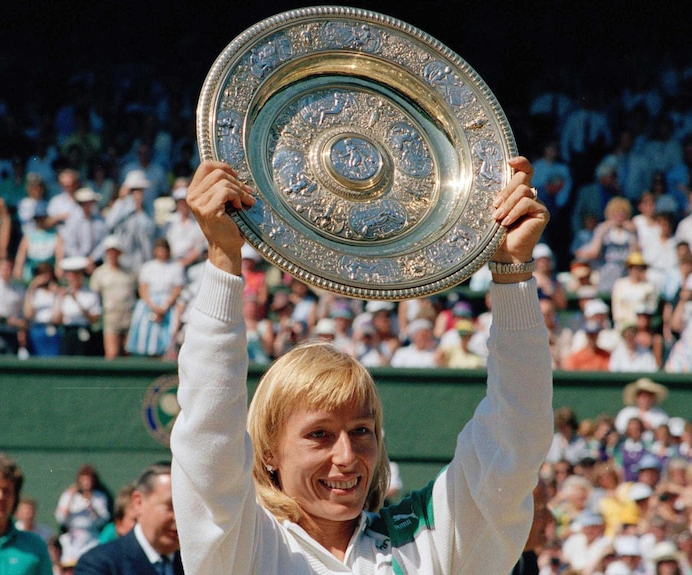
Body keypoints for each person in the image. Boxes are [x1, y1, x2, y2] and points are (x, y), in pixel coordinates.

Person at [170, 158, 552, 573]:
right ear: (267, 453)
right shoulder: (245, 546)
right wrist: (223, 257)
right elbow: (209, 432)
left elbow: (515, 439)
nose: (347, 456)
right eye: (319, 435)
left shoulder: (425, 542)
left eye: (361, 431)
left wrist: (513, 272)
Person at [75, 462, 181, 575]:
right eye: (172, 506)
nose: (180, 519)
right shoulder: (100, 564)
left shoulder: (195, 565)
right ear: (138, 502)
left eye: (189, 509)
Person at [126, 238, 184, 357]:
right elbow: (143, 289)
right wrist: (153, 306)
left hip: (167, 305)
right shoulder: (148, 267)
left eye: (163, 250)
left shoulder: (176, 267)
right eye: (159, 250)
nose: (161, 253)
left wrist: (164, 307)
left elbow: (177, 288)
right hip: (149, 305)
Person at [89, 236, 137, 359]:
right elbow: (94, 295)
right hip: (111, 315)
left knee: (128, 352)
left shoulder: (130, 272)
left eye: (115, 251)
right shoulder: (100, 273)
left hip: (129, 315)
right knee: (112, 353)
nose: (112, 254)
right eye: (110, 251)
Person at [56, 464, 111, 565]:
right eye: (84, 480)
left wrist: (90, 505)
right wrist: (70, 497)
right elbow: (61, 518)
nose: (87, 483)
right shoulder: (68, 495)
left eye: (89, 480)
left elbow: (103, 520)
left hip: (91, 539)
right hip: (72, 541)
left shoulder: (99, 497)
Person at [53, 257, 103, 356]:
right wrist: (60, 300)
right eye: (71, 274)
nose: (73, 278)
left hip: (84, 333)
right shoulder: (62, 294)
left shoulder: (90, 294)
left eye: (77, 274)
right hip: (67, 333)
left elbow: (95, 319)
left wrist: (77, 300)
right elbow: (57, 320)